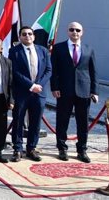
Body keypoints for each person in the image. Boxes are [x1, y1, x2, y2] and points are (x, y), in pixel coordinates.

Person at [51, 22, 98, 163]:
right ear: (68, 31)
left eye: (77, 30)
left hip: (84, 91)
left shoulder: (88, 49)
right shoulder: (59, 48)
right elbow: (55, 70)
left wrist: (94, 91)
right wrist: (54, 88)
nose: (74, 32)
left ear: (82, 32)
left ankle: (82, 150)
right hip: (64, 91)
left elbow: (93, 71)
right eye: (72, 29)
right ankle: (62, 148)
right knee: (62, 120)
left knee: (83, 122)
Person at [9, 25, 51, 162]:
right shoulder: (14, 51)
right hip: (22, 92)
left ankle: (31, 148)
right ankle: (17, 149)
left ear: (34, 36)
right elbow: (15, 72)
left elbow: (48, 70)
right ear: (20, 37)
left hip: (39, 93)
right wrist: (31, 85)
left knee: (35, 122)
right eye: (24, 34)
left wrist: (39, 85)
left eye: (29, 34)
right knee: (18, 121)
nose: (27, 36)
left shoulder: (43, 51)